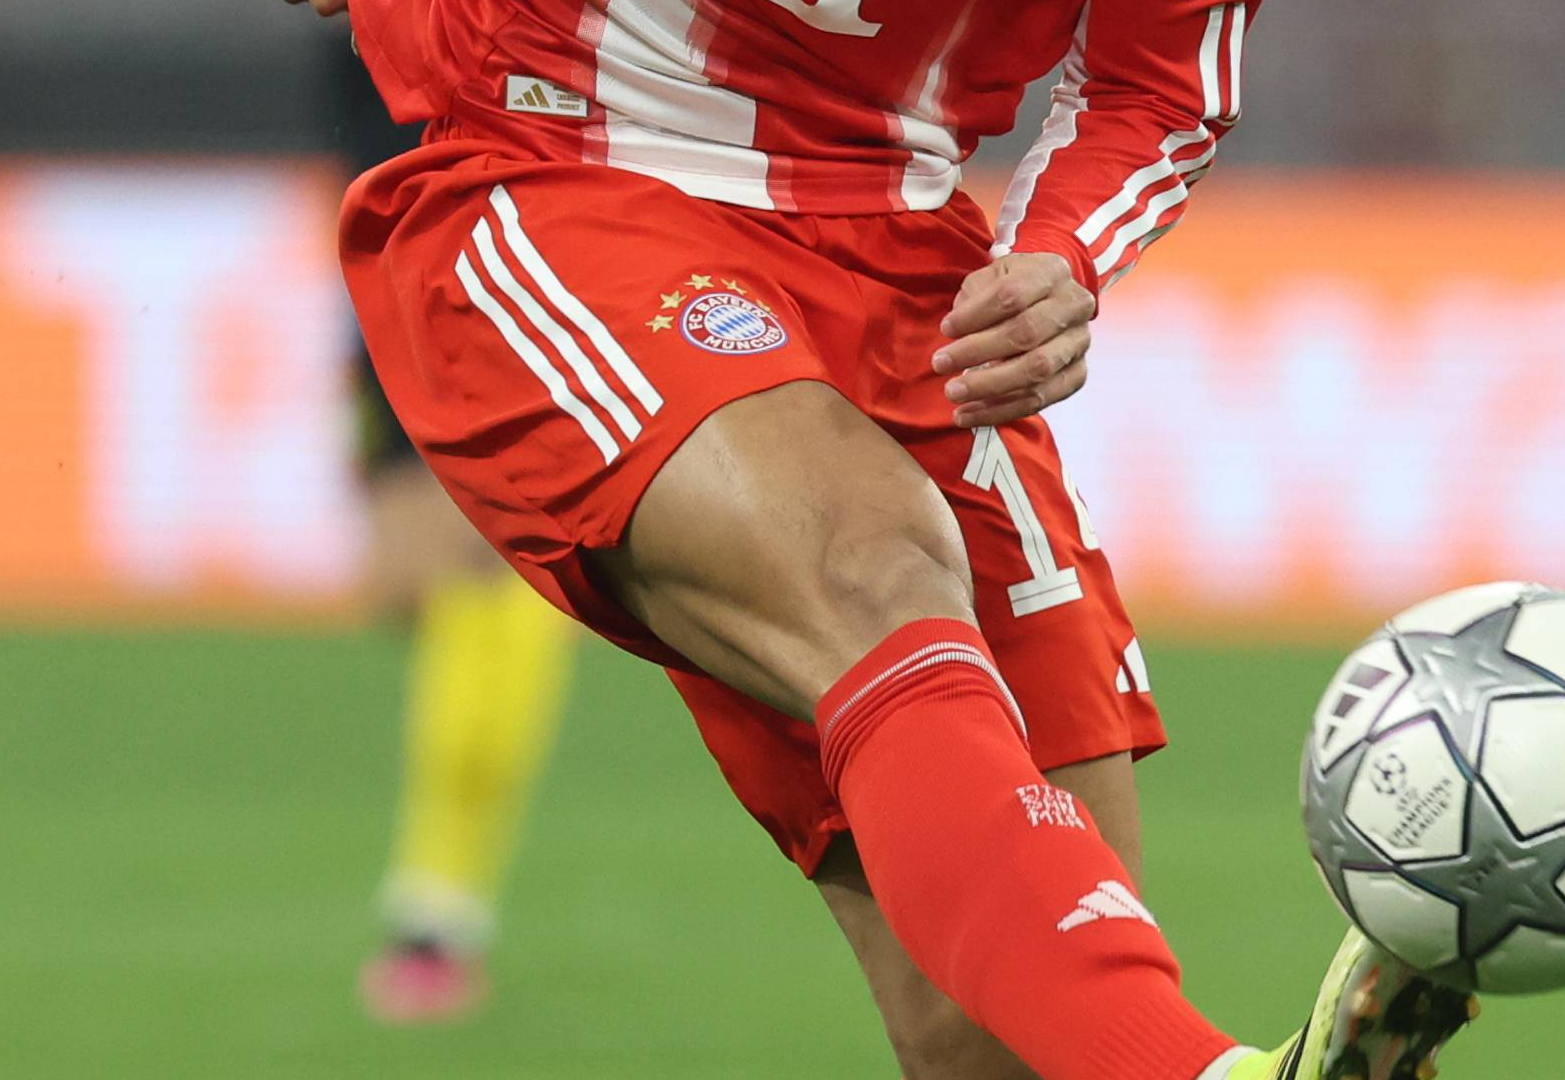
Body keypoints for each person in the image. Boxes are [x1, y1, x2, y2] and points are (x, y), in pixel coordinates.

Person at [289, 0, 1481, 1075]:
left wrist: (1063, 254)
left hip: (903, 239)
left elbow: (1155, 82)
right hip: (578, 163)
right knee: (874, 572)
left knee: (1010, 1033)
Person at [325, 32, 579, 1024]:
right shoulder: (368, 39)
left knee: (498, 591)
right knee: (407, 594)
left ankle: (436, 913)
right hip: (396, 290)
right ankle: (438, 909)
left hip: (538, 279)